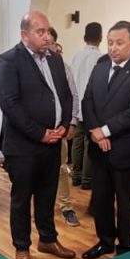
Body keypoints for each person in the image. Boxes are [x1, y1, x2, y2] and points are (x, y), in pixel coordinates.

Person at [0, 11, 77, 259]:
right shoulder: (8, 60)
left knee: (47, 194)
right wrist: (39, 132)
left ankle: (48, 239)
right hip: (23, 145)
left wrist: (64, 124)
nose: (47, 36)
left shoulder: (55, 59)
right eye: (40, 32)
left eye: (49, 31)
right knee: (22, 198)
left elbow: (65, 95)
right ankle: (22, 248)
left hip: (53, 141)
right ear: (24, 34)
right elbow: (10, 104)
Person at [80, 22, 130, 258]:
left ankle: (125, 246)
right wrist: (94, 130)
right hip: (99, 147)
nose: (113, 48)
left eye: (119, 43)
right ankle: (105, 241)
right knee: (101, 199)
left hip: (125, 149)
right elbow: (87, 100)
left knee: (125, 202)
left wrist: (105, 130)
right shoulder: (100, 66)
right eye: (110, 42)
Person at [45, 27, 80, 227]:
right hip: (37, 131)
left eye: (51, 42)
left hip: (59, 128)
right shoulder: (30, 66)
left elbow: (72, 95)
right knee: (37, 171)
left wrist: (72, 122)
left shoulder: (63, 67)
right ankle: (41, 207)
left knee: (61, 169)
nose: (48, 46)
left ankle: (66, 207)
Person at [70, 22, 104, 190]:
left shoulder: (76, 56)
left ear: (84, 37)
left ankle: (75, 175)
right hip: (92, 105)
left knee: (77, 141)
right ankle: (87, 179)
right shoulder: (101, 58)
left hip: (76, 105)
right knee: (90, 141)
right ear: (101, 38)